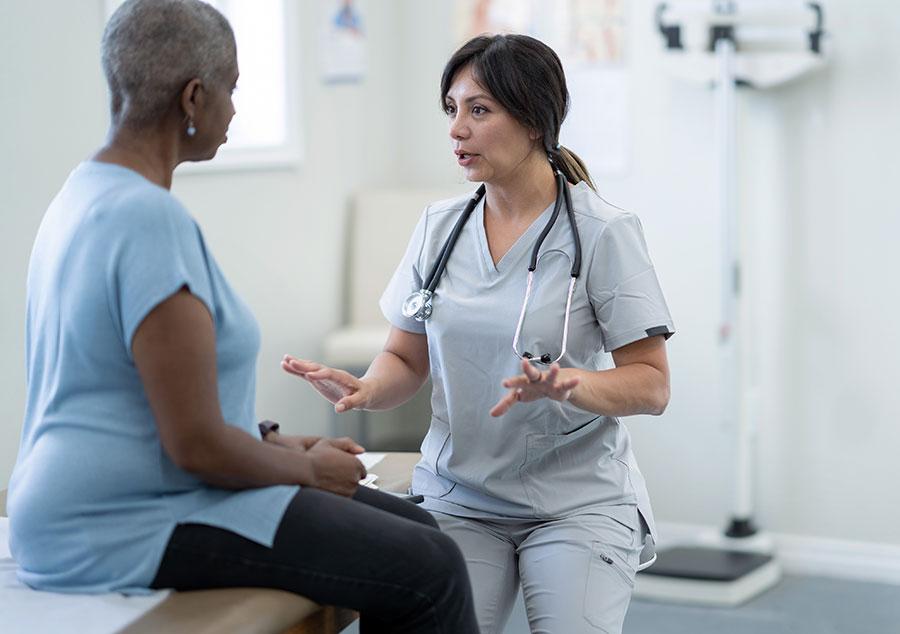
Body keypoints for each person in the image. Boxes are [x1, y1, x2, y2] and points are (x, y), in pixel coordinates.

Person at [7, 1, 479, 631]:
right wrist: (307, 469)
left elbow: (132, 391)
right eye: (231, 89)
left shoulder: (84, 193)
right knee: (432, 568)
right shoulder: (147, 218)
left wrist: (270, 443)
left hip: (104, 499)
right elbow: (196, 445)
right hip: (121, 520)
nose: (234, 108)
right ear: (194, 98)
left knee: (420, 530)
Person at [282, 34, 674, 634]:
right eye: (451, 109)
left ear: (536, 119)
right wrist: (365, 388)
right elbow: (403, 357)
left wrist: (571, 384)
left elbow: (651, 385)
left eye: (479, 110)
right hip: (460, 496)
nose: (456, 129)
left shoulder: (604, 232)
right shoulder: (439, 228)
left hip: (576, 502)